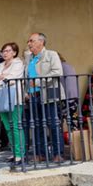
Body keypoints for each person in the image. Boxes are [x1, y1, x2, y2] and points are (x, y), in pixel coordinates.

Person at [25, 32, 65, 163]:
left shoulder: (51, 55)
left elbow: (57, 72)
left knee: (53, 124)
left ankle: (58, 154)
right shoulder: (29, 58)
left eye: (31, 41)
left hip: (49, 93)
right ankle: (40, 154)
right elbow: (26, 76)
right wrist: (26, 91)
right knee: (36, 126)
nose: (29, 43)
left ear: (41, 42)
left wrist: (36, 82)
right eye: (29, 41)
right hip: (33, 95)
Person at [0, 43, 25, 164]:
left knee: (16, 126)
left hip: (14, 99)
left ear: (14, 52)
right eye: (3, 51)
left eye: (8, 51)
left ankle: (20, 154)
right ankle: (14, 153)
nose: (5, 53)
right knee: (8, 127)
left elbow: (13, 78)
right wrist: (1, 77)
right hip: (0, 99)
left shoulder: (18, 64)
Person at [58, 52, 79, 130]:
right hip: (75, 96)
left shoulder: (59, 67)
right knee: (73, 119)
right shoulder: (69, 66)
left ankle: (61, 139)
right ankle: (75, 137)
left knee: (59, 119)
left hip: (66, 96)